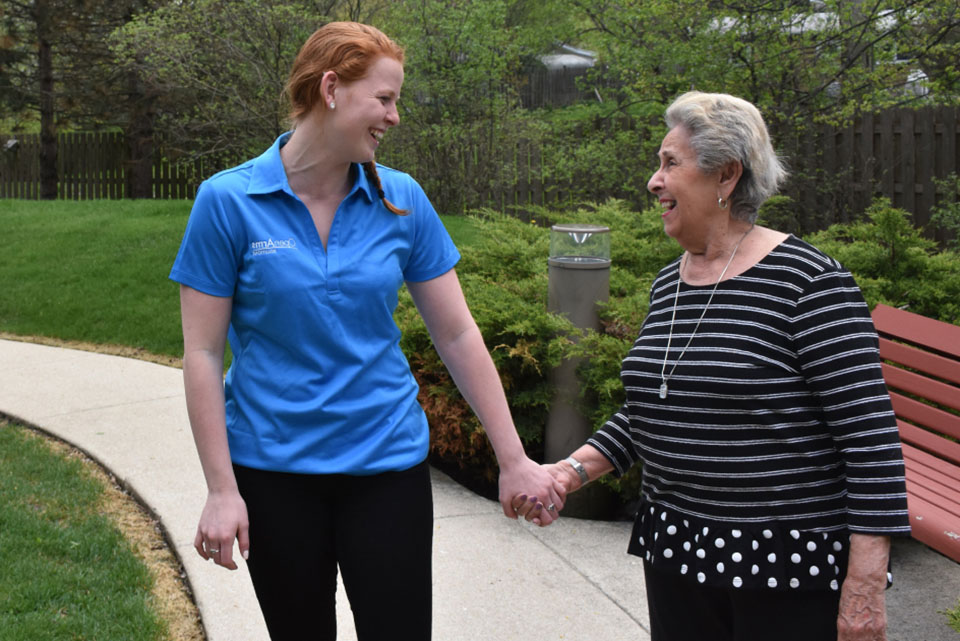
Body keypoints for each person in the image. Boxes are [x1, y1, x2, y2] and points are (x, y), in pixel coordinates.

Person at [169, 21, 564, 641]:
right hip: (273, 475)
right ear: (331, 88)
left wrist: (511, 458)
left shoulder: (400, 199)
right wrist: (221, 489)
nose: (395, 116)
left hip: (387, 469)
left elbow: (457, 335)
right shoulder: (228, 201)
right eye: (384, 99)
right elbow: (201, 353)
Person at [517, 91, 910, 641]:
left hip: (785, 563)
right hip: (677, 547)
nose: (654, 181)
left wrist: (865, 583)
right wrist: (568, 472)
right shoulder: (669, 284)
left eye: (669, 164)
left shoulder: (808, 283)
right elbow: (654, 406)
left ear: (725, 176)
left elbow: (869, 438)